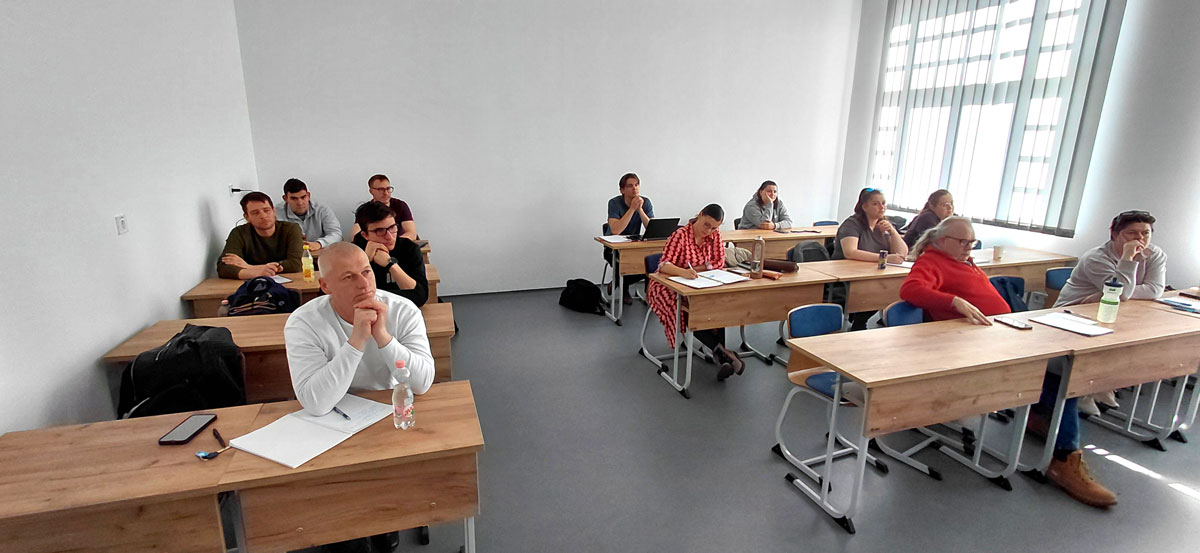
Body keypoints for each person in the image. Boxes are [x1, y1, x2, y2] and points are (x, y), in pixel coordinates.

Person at [899, 217, 1116, 508]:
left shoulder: (964, 261)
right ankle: (1065, 458)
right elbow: (910, 290)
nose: (969, 247)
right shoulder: (932, 261)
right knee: (1061, 370)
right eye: (963, 242)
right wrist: (954, 301)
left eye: (972, 242)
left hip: (1001, 332)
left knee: (1065, 366)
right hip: (973, 347)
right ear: (941, 240)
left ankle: (1040, 413)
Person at [283, 242, 435, 553]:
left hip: (388, 414)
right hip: (333, 422)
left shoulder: (403, 310)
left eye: (366, 272)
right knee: (343, 521)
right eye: (348, 277)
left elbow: (422, 383)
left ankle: (382, 520)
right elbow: (316, 402)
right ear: (325, 286)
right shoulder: (303, 322)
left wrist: (383, 337)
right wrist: (356, 341)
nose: (364, 284)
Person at [1056, 210, 1166, 415]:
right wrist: (1128, 258)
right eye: (1132, 233)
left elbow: (1155, 290)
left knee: (1134, 342)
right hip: (1072, 313)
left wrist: (1106, 293)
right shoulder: (1096, 258)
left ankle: (1098, 387)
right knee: (1104, 345)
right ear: (1114, 234)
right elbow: (1122, 293)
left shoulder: (1155, 254)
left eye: (1146, 233)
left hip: (1113, 312)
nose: (1140, 239)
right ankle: (1086, 390)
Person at [646, 203, 744, 380]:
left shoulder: (715, 235)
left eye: (714, 228)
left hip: (701, 283)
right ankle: (723, 354)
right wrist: (684, 271)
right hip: (667, 285)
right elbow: (664, 265)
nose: (709, 231)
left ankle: (721, 357)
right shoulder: (680, 235)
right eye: (706, 225)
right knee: (690, 310)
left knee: (715, 305)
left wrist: (696, 269)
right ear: (700, 215)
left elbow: (719, 263)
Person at [834, 188, 909, 329]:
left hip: (874, 271)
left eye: (883, 203)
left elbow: (902, 253)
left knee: (895, 287)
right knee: (879, 289)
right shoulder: (852, 224)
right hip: (850, 273)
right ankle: (859, 320)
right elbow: (850, 252)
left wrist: (893, 232)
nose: (881, 207)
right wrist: (884, 258)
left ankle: (860, 319)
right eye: (876, 204)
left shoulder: (884, 224)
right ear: (864, 206)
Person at [351, 200, 429, 307]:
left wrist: (390, 264)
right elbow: (348, 297)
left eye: (392, 227)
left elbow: (420, 296)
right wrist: (365, 262)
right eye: (380, 231)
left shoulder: (409, 248)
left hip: (403, 310)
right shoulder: (355, 252)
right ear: (365, 235)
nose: (389, 236)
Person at [217, 191, 304, 279]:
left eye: (266, 210)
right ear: (247, 217)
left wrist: (249, 267)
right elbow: (223, 267)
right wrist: (258, 273)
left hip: (290, 281)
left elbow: (296, 264)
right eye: (255, 213)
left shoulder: (291, 229)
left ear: (274, 211)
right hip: (252, 283)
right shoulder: (239, 233)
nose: (263, 216)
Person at [605, 173, 655, 304]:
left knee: (650, 261)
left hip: (633, 244)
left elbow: (651, 228)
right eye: (630, 186)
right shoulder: (614, 203)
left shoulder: (645, 202)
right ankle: (623, 287)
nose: (634, 188)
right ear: (622, 190)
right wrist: (632, 209)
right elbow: (616, 230)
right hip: (613, 248)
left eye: (637, 185)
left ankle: (619, 283)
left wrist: (640, 210)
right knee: (627, 262)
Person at [275, 178, 343, 252]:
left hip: (320, 255)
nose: (300, 203)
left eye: (303, 197)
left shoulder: (322, 209)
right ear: (285, 199)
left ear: (308, 195)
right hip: (290, 254)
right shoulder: (276, 213)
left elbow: (337, 234)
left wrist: (319, 244)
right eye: (294, 199)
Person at [349, 174, 418, 241]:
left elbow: (411, 233)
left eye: (388, 189)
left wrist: (392, 242)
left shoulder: (400, 206)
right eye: (381, 189)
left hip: (399, 244)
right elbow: (355, 236)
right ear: (371, 191)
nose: (386, 193)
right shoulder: (366, 210)